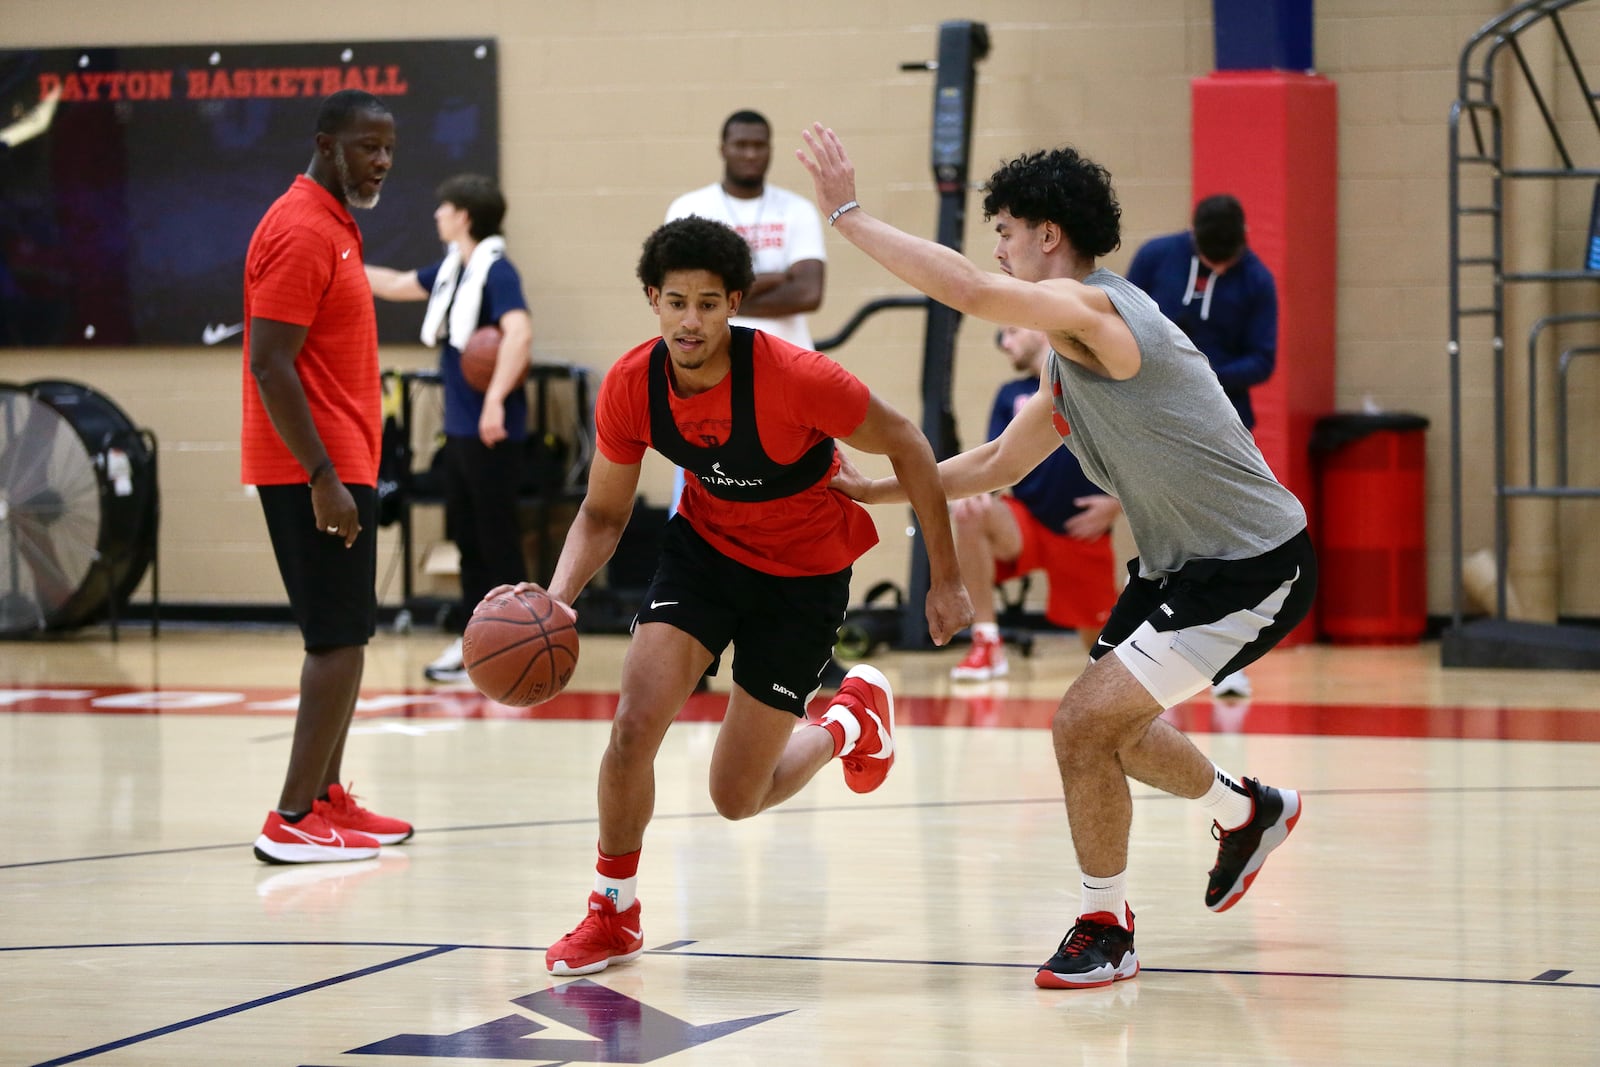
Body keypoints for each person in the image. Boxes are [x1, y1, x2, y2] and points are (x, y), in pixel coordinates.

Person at [798, 125, 1316, 990]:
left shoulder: (1102, 314)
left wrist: (848, 214)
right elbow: (999, 462)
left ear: (1048, 235)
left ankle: (1106, 926)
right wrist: (875, 490)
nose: (995, 248)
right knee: (1115, 729)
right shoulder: (1068, 364)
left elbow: (965, 288)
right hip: (1176, 567)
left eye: (1004, 228)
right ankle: (1246, 809)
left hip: (1254, 562)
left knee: (1080, 725)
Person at [503, 216, 971, 977]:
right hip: (707, 555)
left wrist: (946, 578)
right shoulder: (631, 386)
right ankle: (612, 910)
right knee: (632, 725)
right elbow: (603, 513)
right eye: (677, 301)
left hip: (804, 577)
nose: (692, 320)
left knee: (734, 795)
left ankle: (847, 722)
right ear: (652, 300)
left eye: (710, 304)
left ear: (735, 304)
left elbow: (910, 443)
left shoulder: (797, 377)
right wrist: (557, 597)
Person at [241, 89, 413, 864]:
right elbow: (269, 363)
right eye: (367, 146)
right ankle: (290, 816)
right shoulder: (302, 229)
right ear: (326, 144)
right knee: (335, 640)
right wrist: (319, 474)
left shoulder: (336, 225)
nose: (380, 160)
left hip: (343, 461)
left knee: (351, 635)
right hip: (313, 467)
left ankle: (327, 798)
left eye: (388, 148)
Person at [365, 174, 534, 682]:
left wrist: (495, 402)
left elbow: (520, 335)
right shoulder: (453, 272)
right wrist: (339, 260)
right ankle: (476, 645)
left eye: (443, 209)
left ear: (463, 215)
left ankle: (515, 648)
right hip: (462, 431)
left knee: (496, 543)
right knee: (469, 542)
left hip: (489, 430)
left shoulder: (498, 271)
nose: (436, 216)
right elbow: (395, 284)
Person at [1126, 194, 1278, 700]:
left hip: (1224, 430)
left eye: (1225, 260)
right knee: (1162, 538)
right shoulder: (1155, 258)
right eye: (1208, 257)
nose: (1216, 266)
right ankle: (1150, 651)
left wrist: (1202, 374)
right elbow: (1124, 325)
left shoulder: (1257, 281)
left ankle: (1227, 659)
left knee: (1225, 542)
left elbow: (1262, 360)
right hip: (1156, 424)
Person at [664, 110, 829, 522]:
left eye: (760, 145)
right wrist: (774, 278)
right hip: (710, 376)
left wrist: (717, 297)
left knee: (794, 500)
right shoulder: (690, 209)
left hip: (788, 376)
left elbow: (809, 291)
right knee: (698, 503)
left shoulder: (797, 210)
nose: (751, 154)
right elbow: (680, 295)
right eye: (741, 144)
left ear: (771, 150)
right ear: (723, 148)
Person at [950, 325, 1121, 681]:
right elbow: (992, 461)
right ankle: (986, 643)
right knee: (972, 512)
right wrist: (971, 492)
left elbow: (1137, 449)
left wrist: (1116, 504)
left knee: (1106, 656)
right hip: (1025, 521)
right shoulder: (1009, 394)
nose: (1005, 344)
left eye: (1011, 332)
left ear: (1040, 328)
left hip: (1082, 530)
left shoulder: (1094, 383)